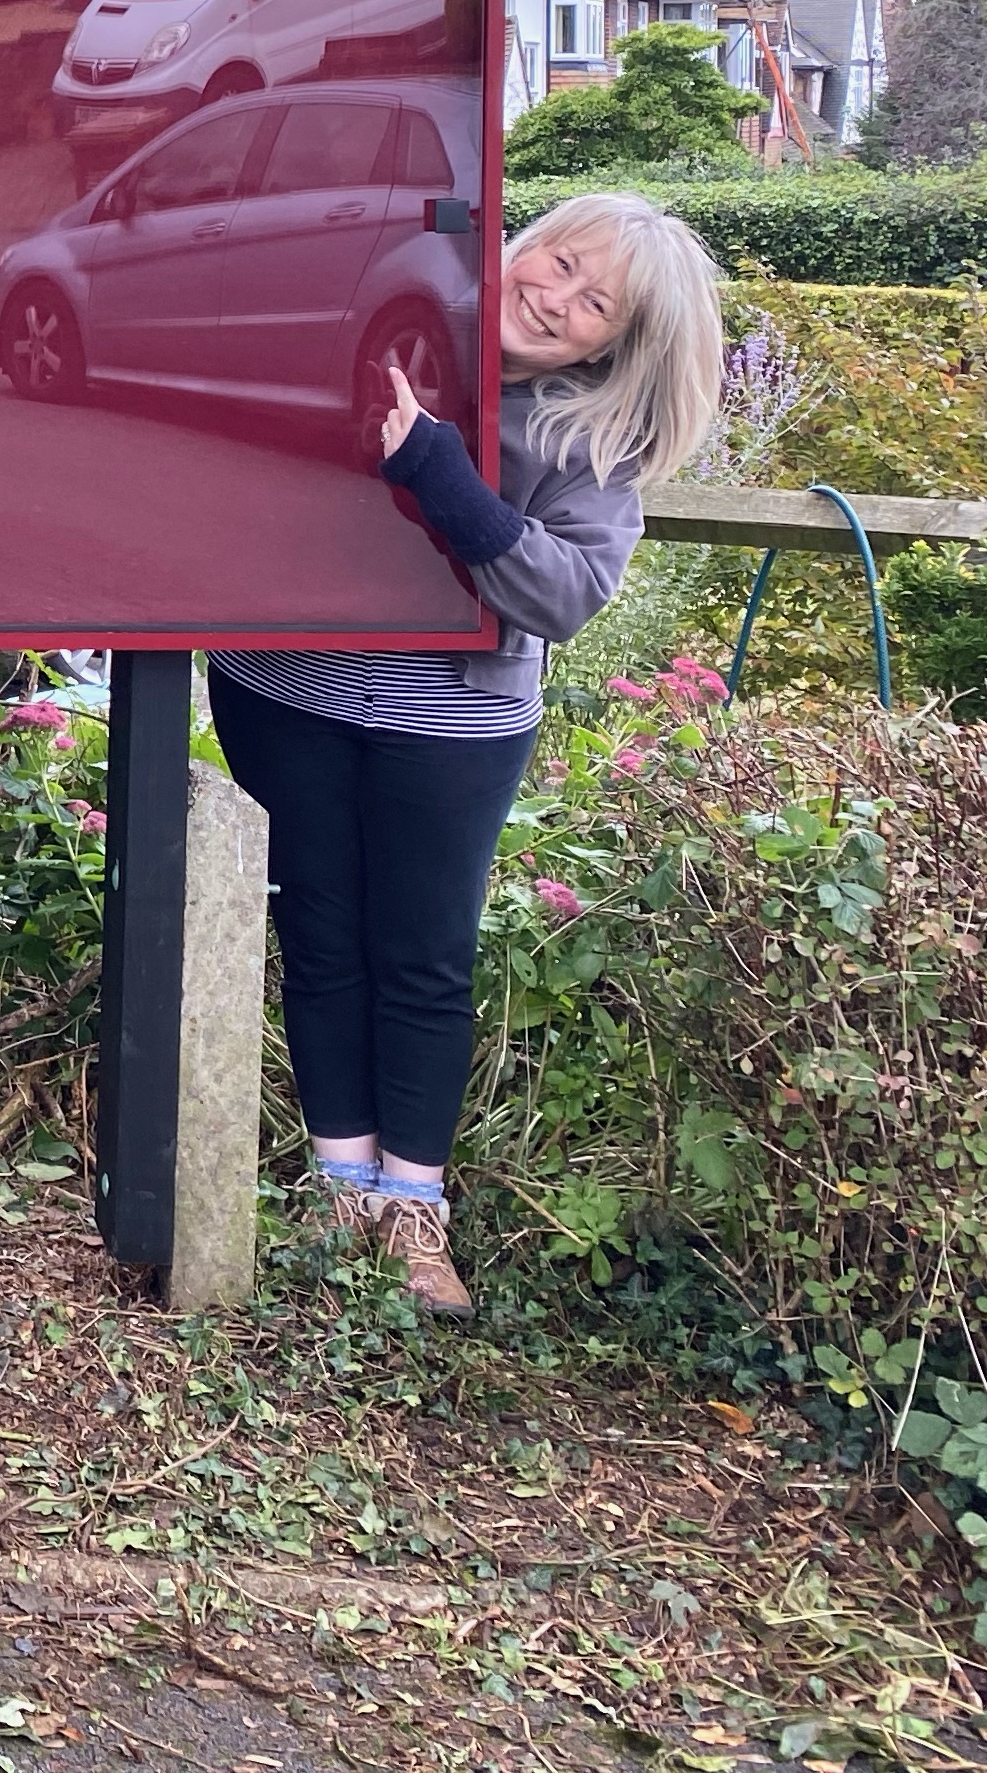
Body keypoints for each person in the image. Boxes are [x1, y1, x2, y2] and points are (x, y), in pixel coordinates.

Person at [203, 191, 724, 1317]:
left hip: (446, 721)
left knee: (423, 961)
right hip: (281, 682)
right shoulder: (380, 319)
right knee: (320, 934)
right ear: (522, 237)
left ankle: (416, 1217)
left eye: (597, 307)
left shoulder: (590, 436)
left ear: (615, 345)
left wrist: (440, 474)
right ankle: (343, 1191)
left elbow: (567, 592)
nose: (558, 300)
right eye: (563, 264)